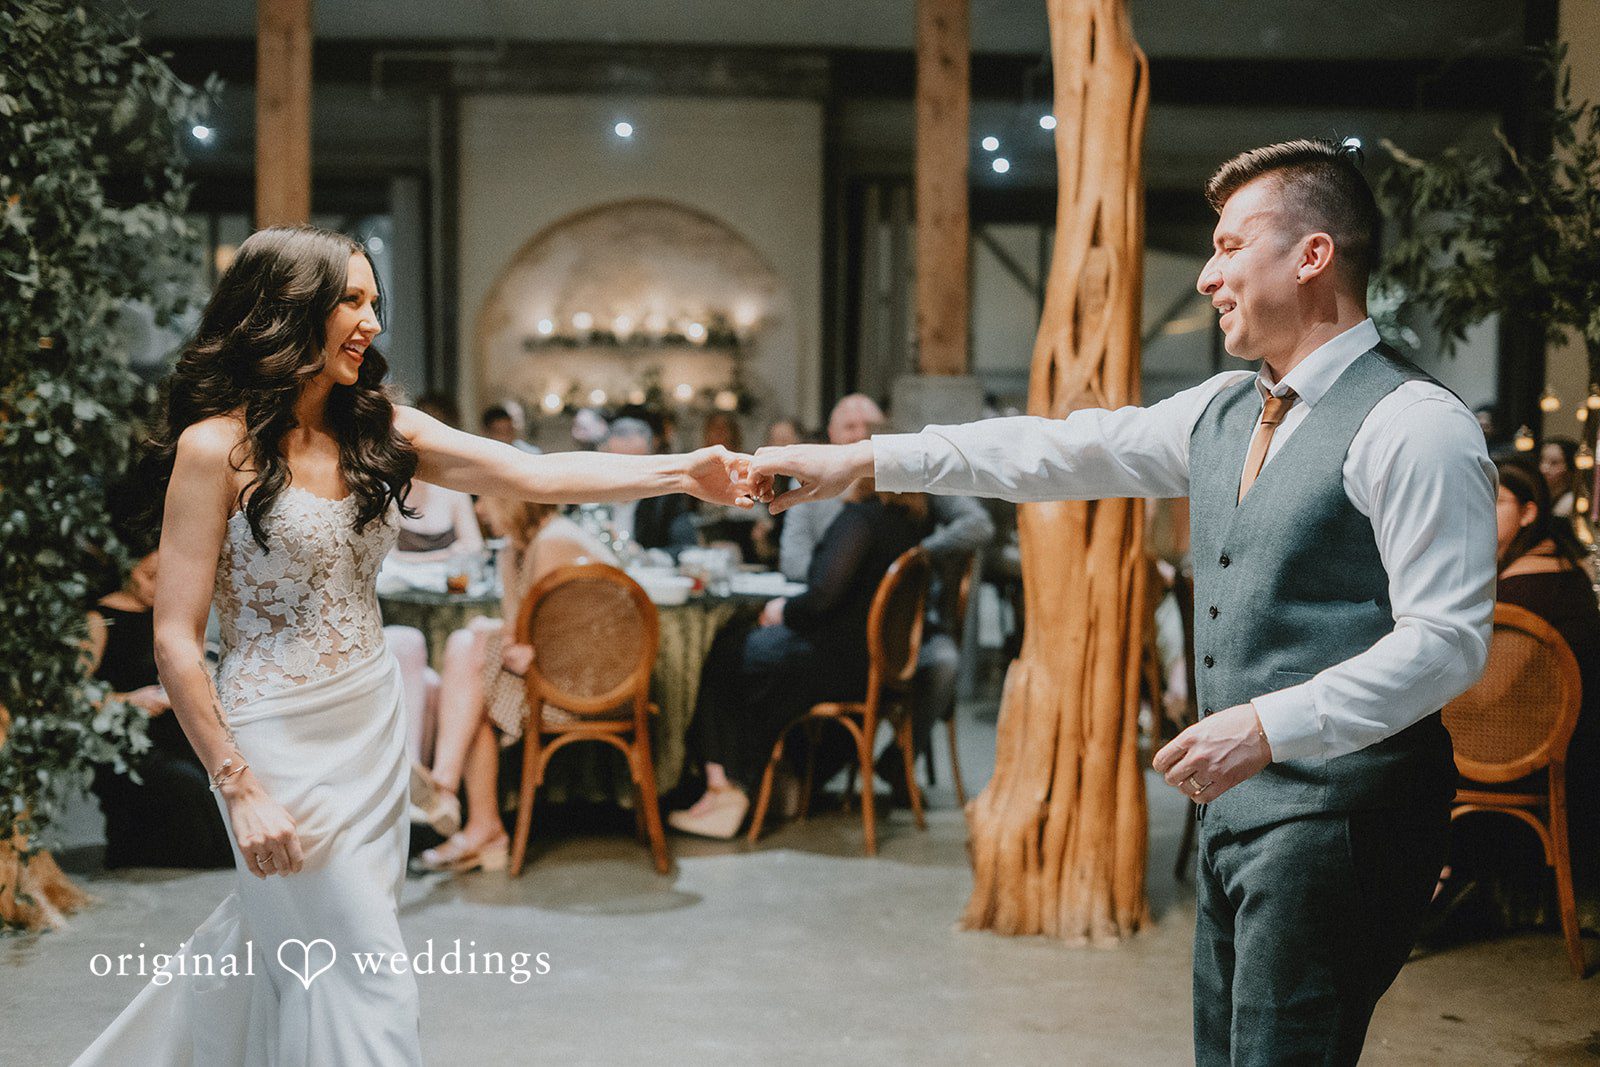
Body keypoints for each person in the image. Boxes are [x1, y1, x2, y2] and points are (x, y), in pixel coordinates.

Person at [752, 139, 1497, 1066]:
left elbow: (1448, 643)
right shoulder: (1226, 407)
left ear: (1312, 256)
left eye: (1231, 246)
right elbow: (1057, 451)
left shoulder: (1416, 424)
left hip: (1348, 818)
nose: (1208, 277)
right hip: (1239, 813)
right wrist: (862, 463)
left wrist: (1262, 724)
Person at [73, 225, 756, 1065]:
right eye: (349, 301)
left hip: (370, 728)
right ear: (291, 312)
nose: (369, 321)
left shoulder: (382, 427)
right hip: (273, 737)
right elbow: (175, 639)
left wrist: (685, 471)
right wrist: (239, 785)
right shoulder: (215, 448)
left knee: (290, 954)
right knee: (368, 971)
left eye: (372, 301)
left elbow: (531, 473)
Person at [670, 480, 931, 838]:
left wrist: (784, 611)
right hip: (877, 667)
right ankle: (776, 782)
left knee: (725, 653)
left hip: (837, 663)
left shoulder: (859, 521)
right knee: (751, 653)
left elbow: (823, 593)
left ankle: (726, 789)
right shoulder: (909, 527)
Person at [408, 495, 618, 872]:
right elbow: (520, 633)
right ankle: (476, 822)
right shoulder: (516, 548)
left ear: (512, 500)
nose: (479, 510)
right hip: (551, 672)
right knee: (468, 653)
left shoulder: (553, 541)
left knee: (467, 654)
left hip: (592, 685)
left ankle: (450, 793)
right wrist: (497, 632)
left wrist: (498, 636)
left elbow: (535, 639)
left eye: (485, 499)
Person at [1438, 459, 1600, 933]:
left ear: (1529, 513)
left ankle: (1429, 881)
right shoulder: (1563, 569)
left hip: (1526, 757)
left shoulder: (1522, 592)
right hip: (1572, 752)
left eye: (1494, 502)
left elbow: (1484, 699)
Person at [83, 545, 233, 870]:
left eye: (166, 579)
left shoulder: (167, 620)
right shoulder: (99, 620)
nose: (156, 587)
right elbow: (73, 695)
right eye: (149, 575)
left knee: (223, 772)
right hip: (127, 744)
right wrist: (130, 700)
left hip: (174, 731)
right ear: (128, 566)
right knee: (185, 785)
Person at [602, 417, 698, 552]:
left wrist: (645, 556)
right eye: (618, 463)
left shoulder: (665, 497)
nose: (626, 472)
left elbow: (687, 546)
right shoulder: (587, 495)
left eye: (635, 463)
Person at [1539, 436, 1580, 518]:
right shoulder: (1541, 496)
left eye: (1554, 463)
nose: (1544, 469)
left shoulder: (1570, 501)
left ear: (1569, 469)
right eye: (1542, 460)